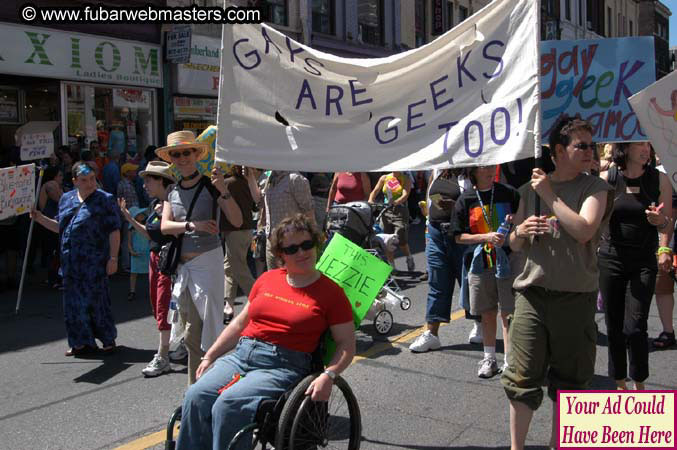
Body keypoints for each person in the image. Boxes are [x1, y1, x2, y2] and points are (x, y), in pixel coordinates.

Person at [176, 214, 355, 450]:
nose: (301, 252)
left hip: (284, 364)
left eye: (307, 244)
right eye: (292, 249)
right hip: (242, 354)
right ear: (281, 255)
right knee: (196, 396)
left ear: (316, 244)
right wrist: (210, 355)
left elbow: (346, 344)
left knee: (228, 405)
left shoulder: (331, 292)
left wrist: (329, 376)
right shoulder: (268, 279)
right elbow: (239, 324)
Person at [500, 117, 613, 450]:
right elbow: (515, 244)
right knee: (521, 378)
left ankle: (558, 444)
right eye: (582, 146)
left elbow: (583, 230)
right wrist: (521, 231)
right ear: (558, 151)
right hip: (531, 296)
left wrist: (549, 195)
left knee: (571, 381)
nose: (590, 152)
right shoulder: (527, 190)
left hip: (575, 299)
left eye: (592, 145)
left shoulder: (594, 188)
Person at [159, 130, 243, 384]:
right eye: (177, 154)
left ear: (197, 154)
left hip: (208, 264)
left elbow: (237, 220)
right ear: (172, 158)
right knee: (191, 335)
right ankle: (200, 389)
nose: (182, 158)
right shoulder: (172, 191)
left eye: (187, 152)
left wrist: (223, 191)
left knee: (201, 332)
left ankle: (202, 389)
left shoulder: (211, 184)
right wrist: (191, 226)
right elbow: (164, 226)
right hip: (183, 269)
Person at [598, 141, 673, 389]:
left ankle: (639, 384)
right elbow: (595, 218)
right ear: (625, 148)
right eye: (640, 144)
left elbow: (667, 222)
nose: (646, 150)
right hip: (611, 259)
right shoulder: (607, 178)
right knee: (614, 325)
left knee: (636, 327)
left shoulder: (658, 180)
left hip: (643, 262)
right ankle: (620, 383)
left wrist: (661, 231)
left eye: (648, 145)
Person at [31, 161, 121, 356]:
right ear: (75, 181)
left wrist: (113, 258)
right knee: (73, 305)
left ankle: (107, 339)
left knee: (97, 302)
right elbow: (60, 227)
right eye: (84, 180)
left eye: (92, 179)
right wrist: (39, 218)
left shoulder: (105, 199)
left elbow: (114, 230)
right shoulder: (66, 199)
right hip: (70, 263)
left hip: (95, 262)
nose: (90, 183)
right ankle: (80, 341)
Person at [454, 165, 520, 377]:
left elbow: (521, 221)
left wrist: (514, 225)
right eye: (485, 168)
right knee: (487, 312)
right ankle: (489, 359)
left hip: (508, 261)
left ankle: (510, 361)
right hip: (481, 262)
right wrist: (486, 237)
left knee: (508, 313)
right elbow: (458, 236)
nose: (491, 171)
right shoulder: (465, 199)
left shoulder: (508, 193)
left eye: (493, 166)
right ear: (474, 171)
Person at [119, 161, 178, 377]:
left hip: (168, 260)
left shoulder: (174, 203)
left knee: (163, 306)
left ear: (162, 181)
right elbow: (149, 234)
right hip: (155, 258)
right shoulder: (155, 203)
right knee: (157, 305)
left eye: (149, 179)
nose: (144, 184)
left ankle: (163, 355)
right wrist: (128, 218)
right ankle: (178, 344)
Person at [409, 169, 465, 353]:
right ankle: (432, 334)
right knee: (437, 282)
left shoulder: (471, 171)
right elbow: (430, 198)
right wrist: (427, 227)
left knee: (469, 281)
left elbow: (476, 204)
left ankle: (480, 323)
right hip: (435, 232)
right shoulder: (438, 168)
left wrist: (456, 207)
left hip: (462, 234)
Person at [221, 165, 256, 325]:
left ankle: (259, 298)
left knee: (238, 268)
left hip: (234, 230)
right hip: (246, 228)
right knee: (229, 266)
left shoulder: (226, 183)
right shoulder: (246, 181)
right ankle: (228, 305)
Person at [261, 170, 315, 270]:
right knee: (274, 280)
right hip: (272, 243)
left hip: (292, 246)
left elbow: (309, 213)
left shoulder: (296, 179)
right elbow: (258, 200)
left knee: (294, 281)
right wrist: (249, 176)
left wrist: (311, 244)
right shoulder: (269, 178)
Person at [369, 171, 415, 271]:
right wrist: (370, 201)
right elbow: (375, 191)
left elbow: (405, 195)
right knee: (387, 239)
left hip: (400, 211)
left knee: (400, 238)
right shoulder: (384, 178)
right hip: (386, 210)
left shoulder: (405, 179)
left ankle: (409, 257)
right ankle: (392, 266)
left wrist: (396, 202)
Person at [38, 167, 64, 288]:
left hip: (49, 221)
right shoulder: (51, 184)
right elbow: (60, 200)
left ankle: (53, 277)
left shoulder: (48, 185)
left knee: (53, 251)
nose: (62, 178)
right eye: (59, 175)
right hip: (51, 221)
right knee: (55, 251)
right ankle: (54, 278)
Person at [127, 207, 150, 302]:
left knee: (149, 272)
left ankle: (150, 290)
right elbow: (129, 241)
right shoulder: (131, 228)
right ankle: (132, 291)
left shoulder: (147, 225)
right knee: (134, 272)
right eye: (139, 214)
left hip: (147, 251)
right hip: (136, 252)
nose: (142, 215)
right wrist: (131, 250)